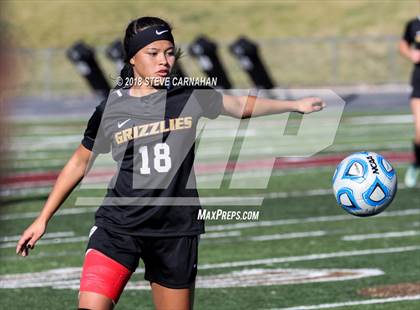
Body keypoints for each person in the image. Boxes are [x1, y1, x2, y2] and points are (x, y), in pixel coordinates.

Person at [15, 16, 325, 310]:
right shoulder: (111, 106)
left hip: (175, 230)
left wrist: (293, 105)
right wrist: (43, 218)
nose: (164, 60)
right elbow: (79, 163)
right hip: (118, 226)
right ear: (132, 58)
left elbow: (239, 105)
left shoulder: (187, 95)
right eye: (153, 53)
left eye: (169, 53)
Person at [399, 16, 420, 187]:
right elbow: (403, 44)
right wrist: (411, 53)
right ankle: (416, 164)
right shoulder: (413, 24)